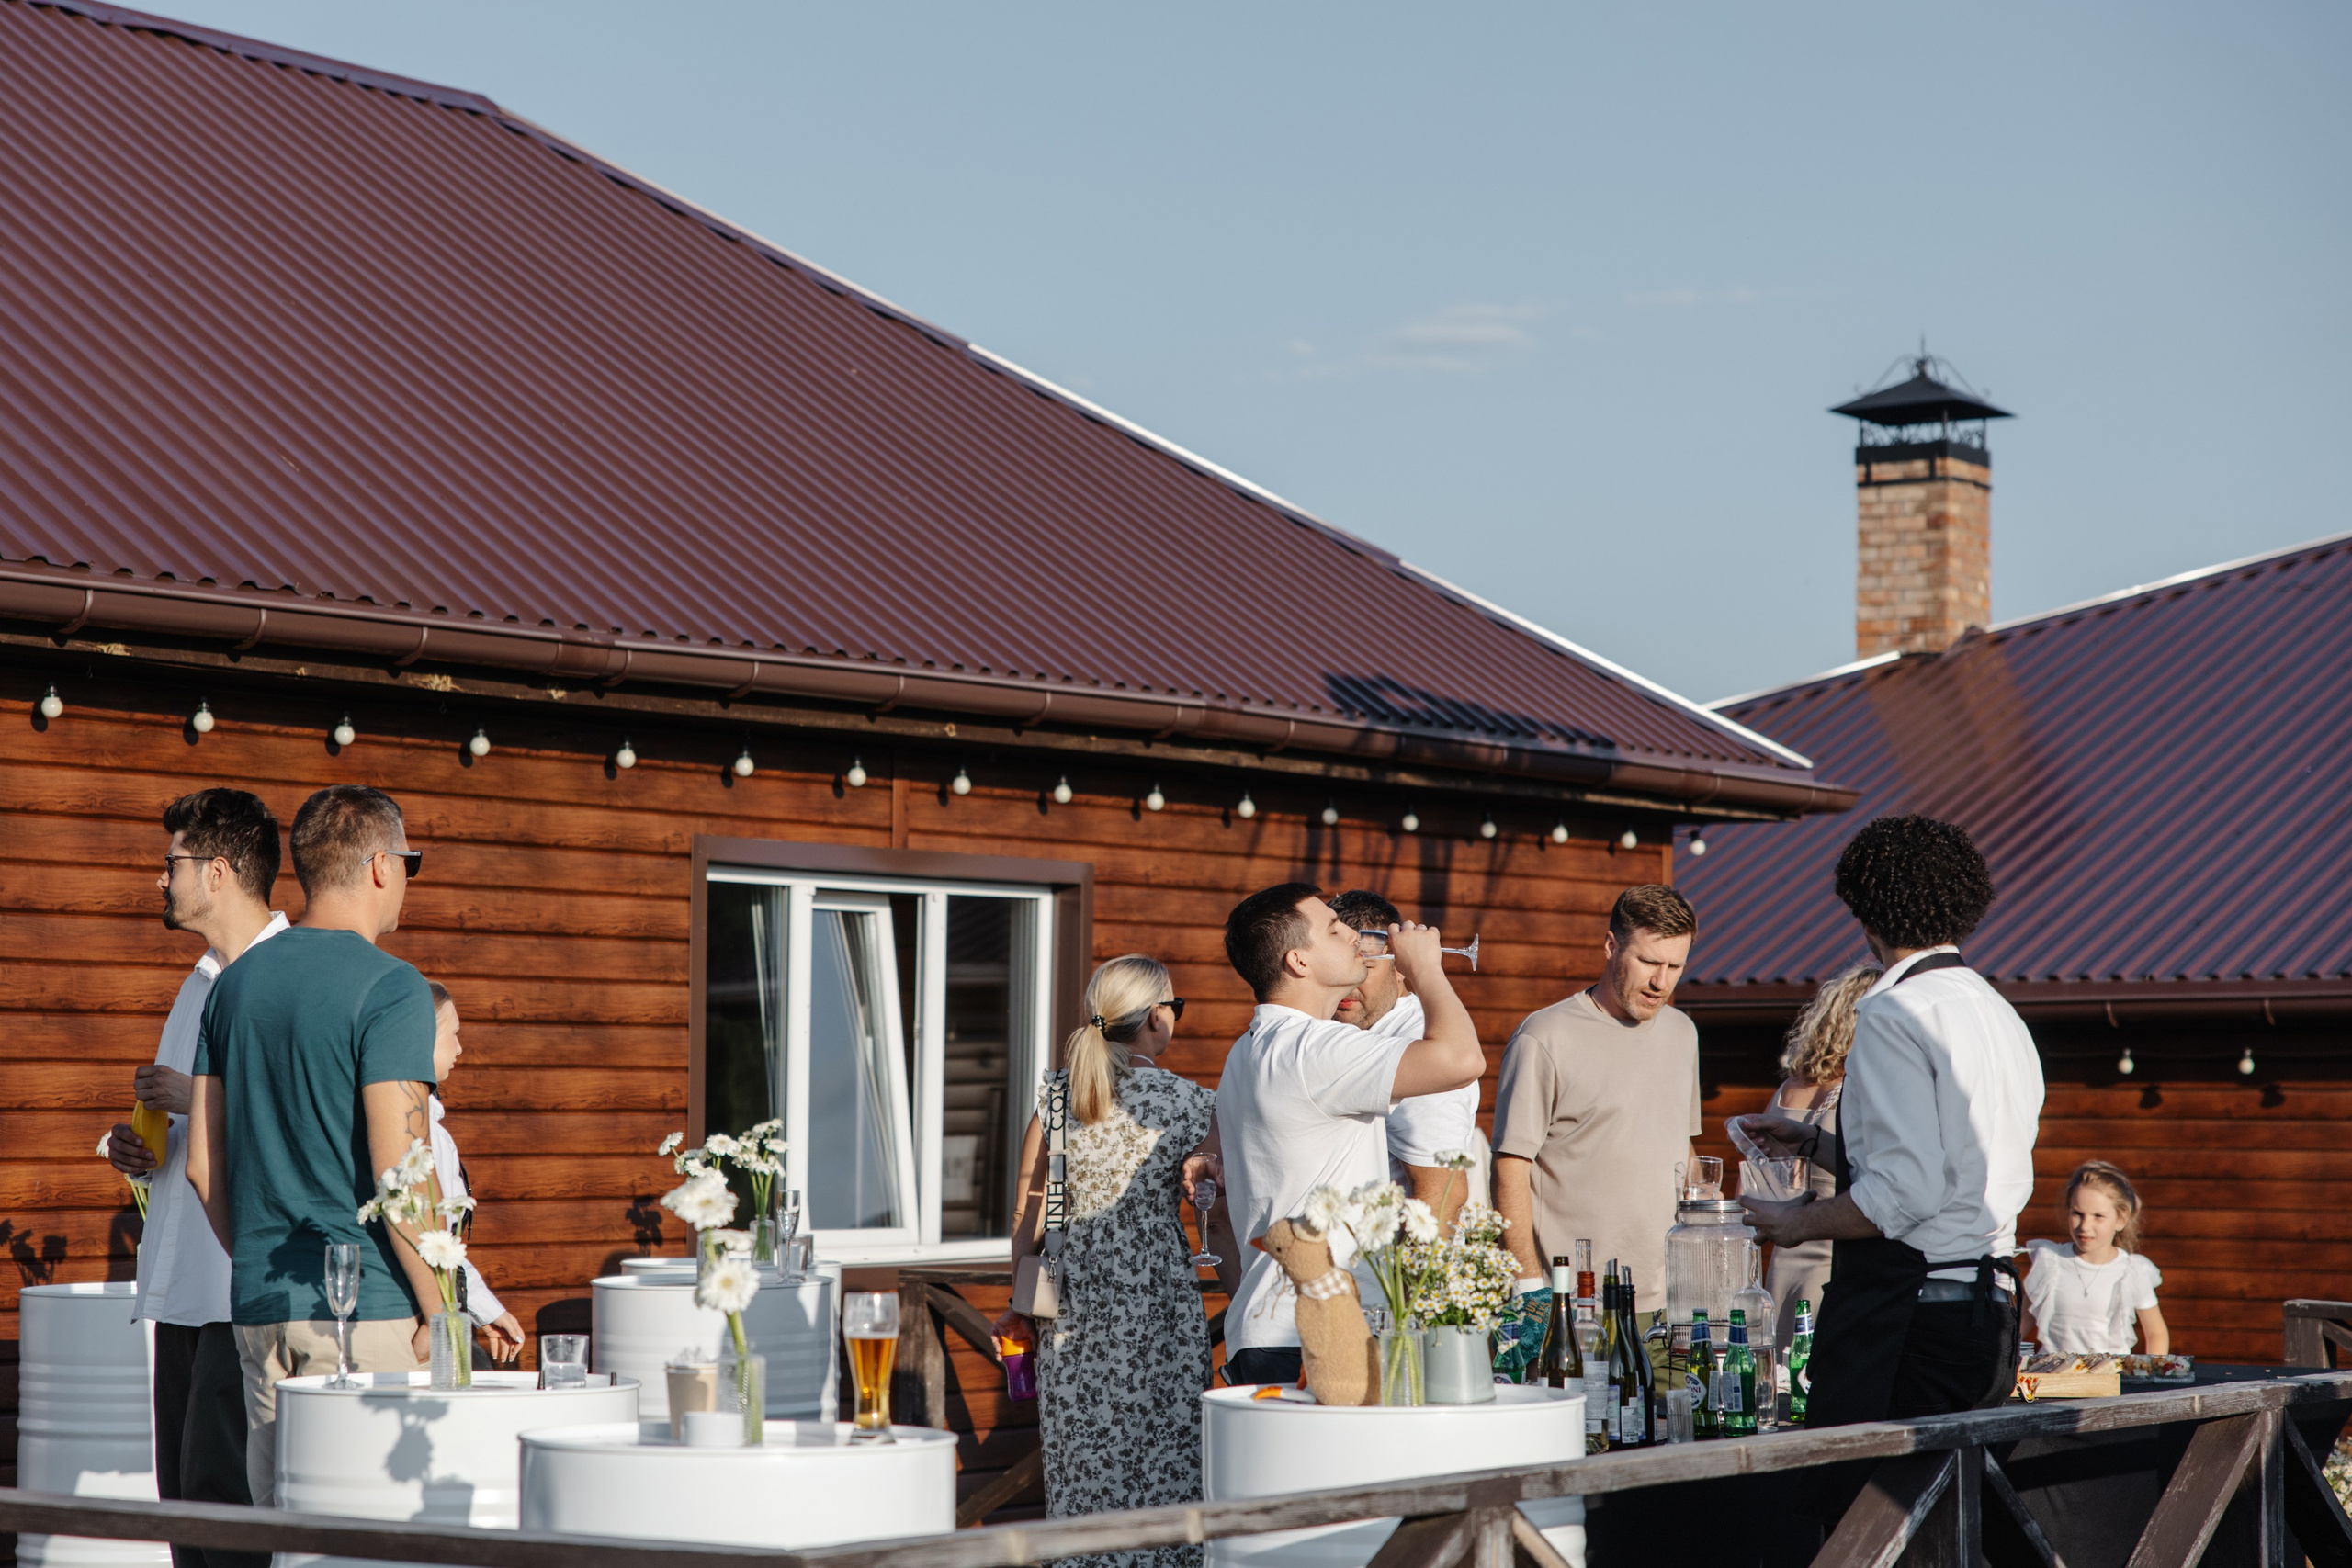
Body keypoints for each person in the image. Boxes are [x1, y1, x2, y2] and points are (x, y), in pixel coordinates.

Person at [1737, 814, 2044, 1431]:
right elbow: (1951, 1163)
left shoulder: (1892, 1010)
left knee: (1867, 1517)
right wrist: (1817, 1144)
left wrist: (1794, 1223)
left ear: (1867, 913)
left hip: (1912, 1321)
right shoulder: (1997, 1010)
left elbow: (1906, 1191)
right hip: (1990, 1311)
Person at [187, 784, 442, 1506]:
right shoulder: (393, 988)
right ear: (382, 866)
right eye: (410, 864)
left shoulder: (232, 986)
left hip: (261, 1304)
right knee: (371, 1531)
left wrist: (269, 1262)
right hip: (368, 1314)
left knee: (287, 1532)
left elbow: (206, 1167)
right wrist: (443, 1309)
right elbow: (404, 1171)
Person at [990, 956, 1237, 1568]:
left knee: (1083, 1484)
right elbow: (1220, 1214)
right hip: (1159, 1315)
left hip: (1071, 1315)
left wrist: (1020, 1306)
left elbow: (1031, 1210)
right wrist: (1247, 1297)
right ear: (1157, 1018)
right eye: (1174, 1007)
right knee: (1167, 1476)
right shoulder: (1191, 1103)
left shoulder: (1057, 1096)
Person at [104, 790, 286, 1568]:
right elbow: (190, 1130)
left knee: (226, 1512)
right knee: (182, 1506)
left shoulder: (282, 977)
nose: (159, 879)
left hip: (237, 1289)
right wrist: (141, 1145)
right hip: (180, 1286)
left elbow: (301, 1122)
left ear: (217, 871)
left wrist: (194, 1096)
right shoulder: (199, 979)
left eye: (171, 862)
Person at [1214, 884, 1485, 1387]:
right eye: (1336, 932)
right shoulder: (1317, 1049)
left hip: (1266, 1328)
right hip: (1318, 1334)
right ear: (1299, 961)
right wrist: (1426, 969)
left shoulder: (1245, 1050)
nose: (1357, 942)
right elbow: (1464, 1060)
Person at [1491, 885, 1700, 1324]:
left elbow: (1681, 1146)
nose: (1661, 981)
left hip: (1671, 1302)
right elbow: (1510, 1166)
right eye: (1648, 961)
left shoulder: (1683, 1033)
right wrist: (1530, 1290)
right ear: (1610, 946)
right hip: (1572, 1303)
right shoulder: (1544, 1037)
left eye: (1675, 966)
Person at [1745, 963, 1880, 1361]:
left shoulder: (1791, 1089)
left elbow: (1753, 1181)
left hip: (1782, 1257)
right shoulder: (1858, 1091)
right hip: (1834, 1254)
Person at [1329, 890, 1486, 1225]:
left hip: (1389, 1275)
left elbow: (1439, 1197)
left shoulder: (1416, 1046)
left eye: (1366, 966)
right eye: (1335, 968)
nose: (1346, 983)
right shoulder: (1341, 1034)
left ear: (1401, 969)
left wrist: (1412, 1280)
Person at [423, 983, 525, 1363]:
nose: (461, 1049)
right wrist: (431, 1324)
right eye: (453, 1035)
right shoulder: (423, 1130)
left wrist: (485, 1310)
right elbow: (431, 1238)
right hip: (426, 1318)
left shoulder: (433, 1124)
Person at [2019, 1161, 2168, 1357]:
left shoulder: (2132, 1271)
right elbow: (2020, 1324)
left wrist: (2155, 1377)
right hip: (2051, 1377)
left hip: (2109, 1380)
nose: (2085, 1226)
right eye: (2078, 1214)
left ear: (2121, 1219)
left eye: (2098, 1216)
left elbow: (2156, 1333)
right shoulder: (2049, 1261)